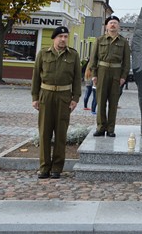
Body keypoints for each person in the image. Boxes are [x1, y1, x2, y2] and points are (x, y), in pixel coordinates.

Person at [31, 26, 81, 180]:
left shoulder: (73, 55)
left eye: (66, 36)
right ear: (54, 38)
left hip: (64, 96)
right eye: (60, 36)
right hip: (46, 95)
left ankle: (57, 168)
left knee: (60, 133)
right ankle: (44, 167)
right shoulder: (43, 54)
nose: (63, 39)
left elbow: (77, 79)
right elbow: (36, 77)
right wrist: (34, 97)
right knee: (45, 132)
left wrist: (75, 98)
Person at [89, 15, 131, 137]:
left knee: (113, 102)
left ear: (118, 26)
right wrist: (94, 75)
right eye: (111, 23)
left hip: (116, 73)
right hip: (102, 71)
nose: (113, 25)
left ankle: (111, 128)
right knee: (100, 101)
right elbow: (93, 59)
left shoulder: (123, 42)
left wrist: (123, 76)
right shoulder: (99, 40)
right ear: (106, 26)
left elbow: (127, 62)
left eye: (115, 23)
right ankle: (101, 127)